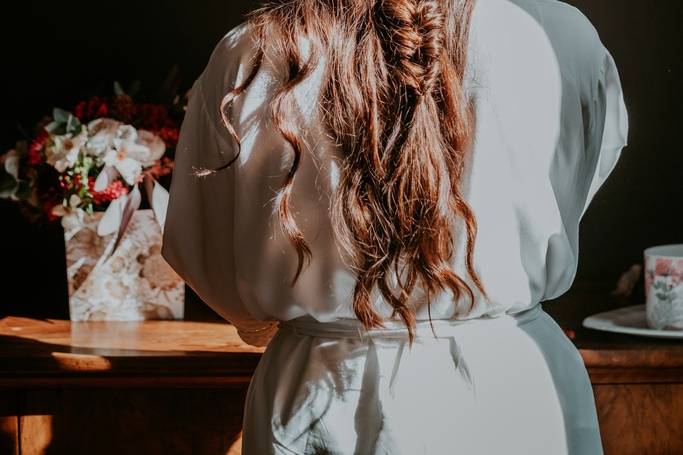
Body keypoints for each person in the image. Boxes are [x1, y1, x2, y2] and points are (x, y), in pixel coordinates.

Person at [162, 0, 628, 453]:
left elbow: (205, 253)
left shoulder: (252, 52)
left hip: (325, 398)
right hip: (513, 388)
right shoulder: (559, 36)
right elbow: (573, 192)